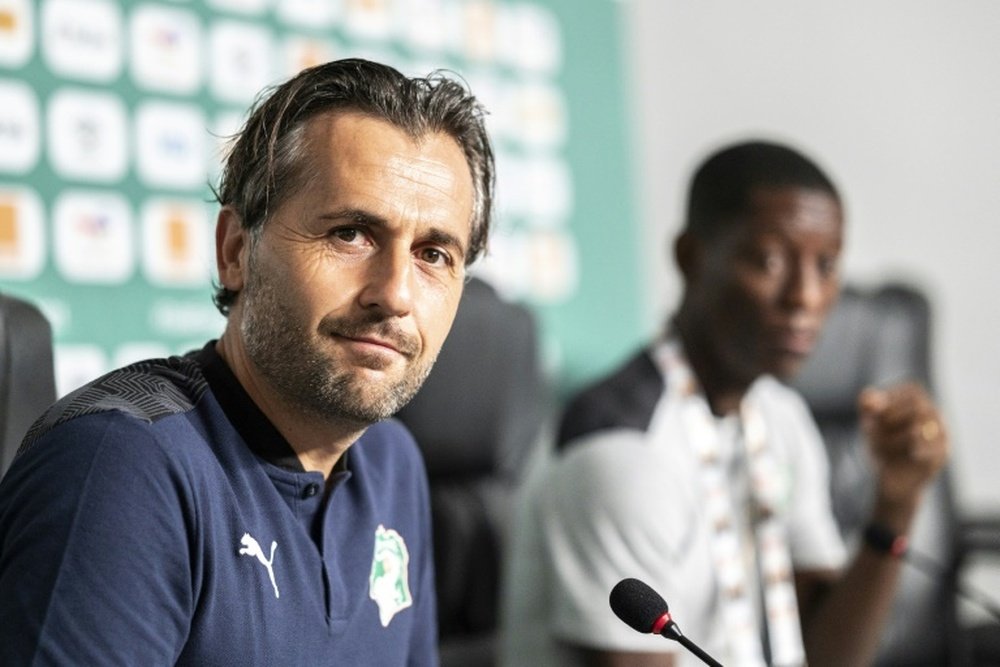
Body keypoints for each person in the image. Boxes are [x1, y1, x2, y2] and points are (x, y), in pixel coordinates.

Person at [0, 58, 495, 665]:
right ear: (236, 250)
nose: (394, 293)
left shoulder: (394, 463)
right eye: (350, 233)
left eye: (434, 254)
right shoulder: (120, 467)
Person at [499, 140, 949, 667]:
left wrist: (896, 504)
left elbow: (830, 655)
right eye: (770, 260)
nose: (805, 296)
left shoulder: (780, 420)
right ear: (691, 258)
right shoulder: (622, 451)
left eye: (826, 266)